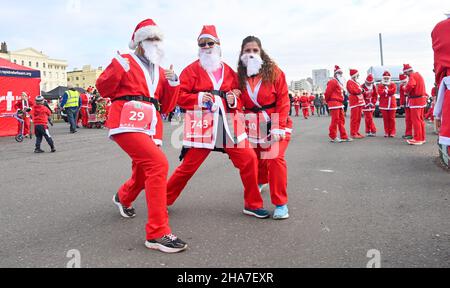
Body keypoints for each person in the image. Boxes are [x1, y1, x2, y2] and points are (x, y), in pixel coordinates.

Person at [96, 19, 187, 253]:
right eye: (150, 38)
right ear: (138, 41)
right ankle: (157, 233)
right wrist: (116, 68)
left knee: (142, 171)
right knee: (157, 164)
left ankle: (123, 198)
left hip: (151, 123)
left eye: (158, 39)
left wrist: (174, 83)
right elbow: (104, 90)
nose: (155, 43)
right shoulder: (124, 61)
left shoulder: (160, 70)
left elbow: (166, 106)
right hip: (126, 119)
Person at [166, 25, 269, 219]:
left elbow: (240, 94)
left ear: (218, 45)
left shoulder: (229, 71)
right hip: (202, 123)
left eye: (209, 43)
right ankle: (162, 200)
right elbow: (179, 96)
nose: (206, 47)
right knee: (188, 167)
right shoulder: (190, 70)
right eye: (202, 44)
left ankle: (253, 204)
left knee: (249, 159)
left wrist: (233, 99)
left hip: (228, 123)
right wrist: (198, 98)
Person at [238, 35, 292, 220]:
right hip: (252, 124)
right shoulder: (238, 76)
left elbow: (284, 100)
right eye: (247, 50)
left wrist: (279, 126)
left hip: (275, 121)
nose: (251, 54)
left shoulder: (275, 72)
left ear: (261, 52)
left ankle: (281, 204)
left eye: (255, 50)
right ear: (241, 53)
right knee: (256, 158)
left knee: (274, 158)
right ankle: (261, 181)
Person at [324, 65, 351, 143]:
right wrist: (328, 101)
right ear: (335, 74)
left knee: (341, 120)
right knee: (335, 120)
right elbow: (327, 92)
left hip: (339, 103)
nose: (340, 74)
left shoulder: (339, 82)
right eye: (339, 73)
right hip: (334, 103)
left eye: (341, 73)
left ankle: (344, 136)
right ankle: (333, 136)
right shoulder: (333, 81)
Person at [403, 64, 428, 145]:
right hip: (421, 100)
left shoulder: (412, 76)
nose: (406, 75)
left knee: (416, 120)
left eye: (406, 73)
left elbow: (411, 85)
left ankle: (417, 139)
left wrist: (405, 89)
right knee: (420, 120)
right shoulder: (419, 75)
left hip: (415, 101)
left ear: (408, 71)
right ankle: (422, 137)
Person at [377, 71, 397, 138]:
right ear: (383, 78)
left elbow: (393, 91)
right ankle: (386, 132)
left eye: (387, 78)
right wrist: (388, 91)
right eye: (385, 78)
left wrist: (385, 91)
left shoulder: (393, 84)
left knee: (392, 119)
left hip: (392, 104)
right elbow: (380, 93)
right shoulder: (380, 85)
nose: (386, 79)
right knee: (385, 119)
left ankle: (392, 132)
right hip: (384, 104)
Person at [347, 69, 365, 139]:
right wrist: (361, 90)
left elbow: (361, 90)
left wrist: (361, 90)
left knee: (358, 118)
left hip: (359, 102)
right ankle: (353, 133)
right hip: (354, 102)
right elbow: (353, 91)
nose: (358, 76)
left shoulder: (356, 82)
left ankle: (356, 131)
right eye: (357, 75)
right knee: (354, 118)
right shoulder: (349, 82)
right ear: (354, 75)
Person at [399, 74, 413, 140]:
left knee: (415, 119)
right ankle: (408, 134)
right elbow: (401, 95)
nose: (403, 83)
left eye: (404, 82)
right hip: (406, 104)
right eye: (402, 82)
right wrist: (401, 103)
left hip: (413, 103)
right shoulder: (401, 86)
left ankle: (416, 134)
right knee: (407, 119)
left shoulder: (411, 83)